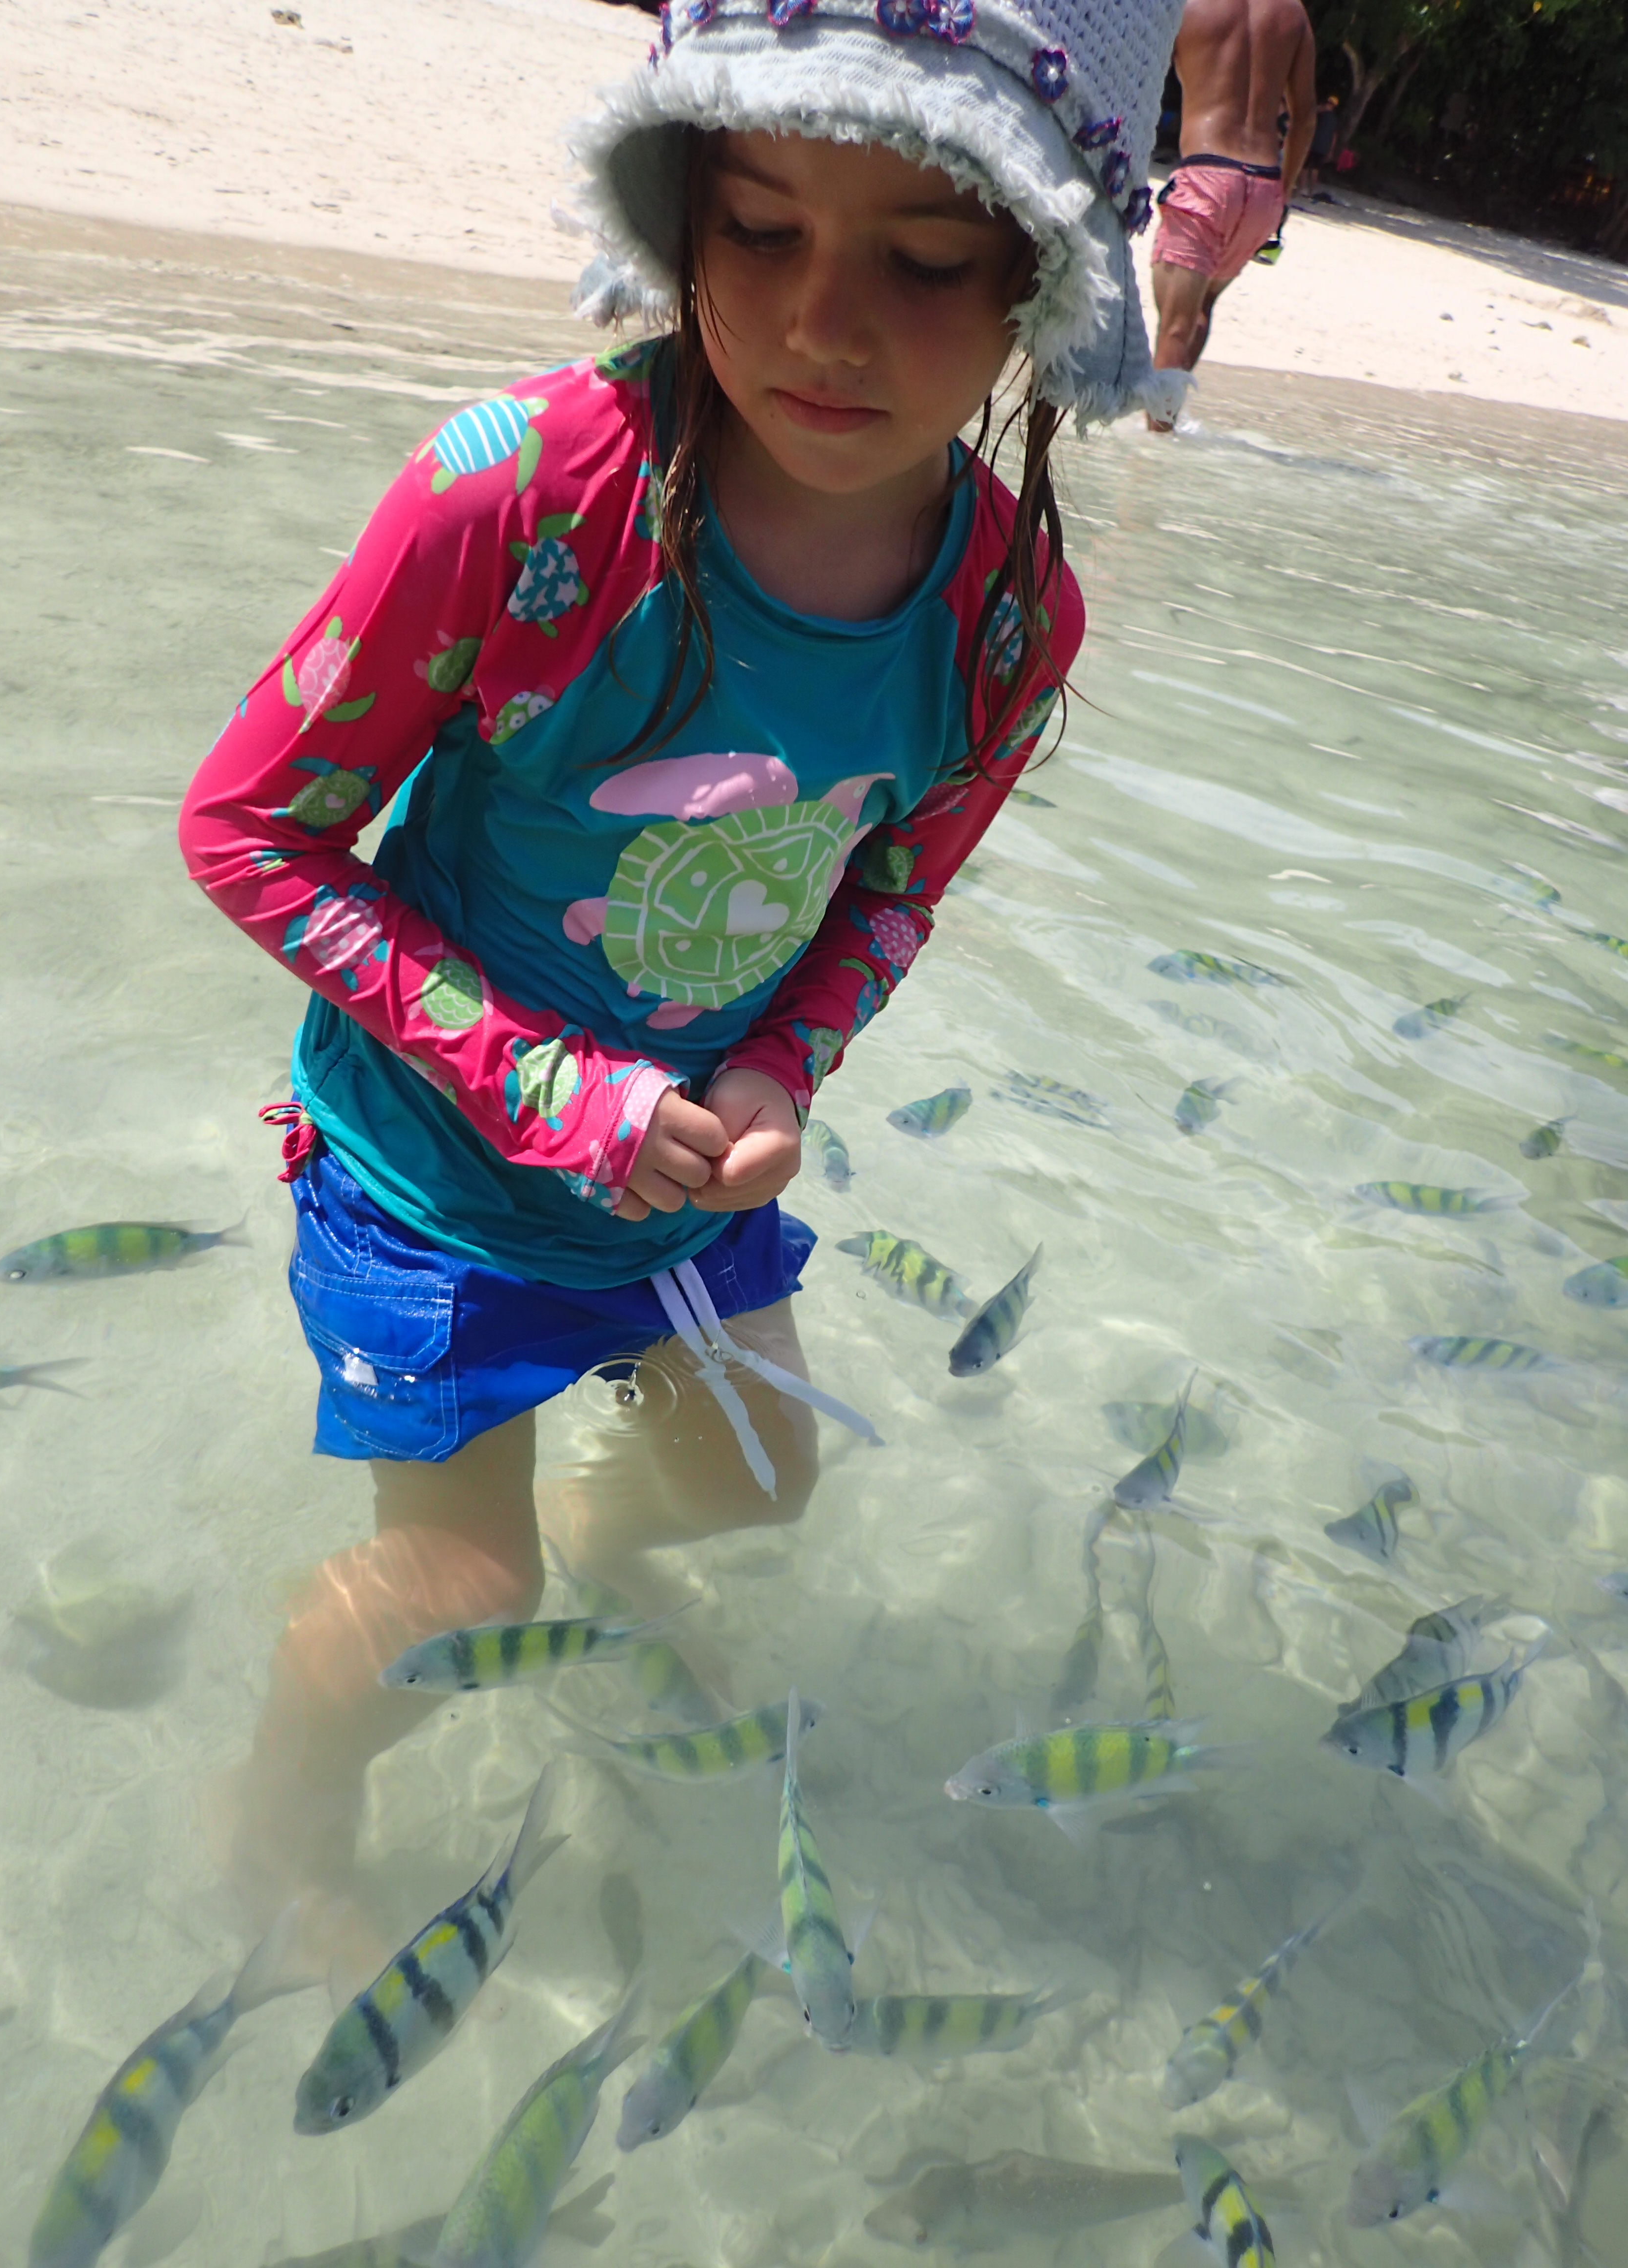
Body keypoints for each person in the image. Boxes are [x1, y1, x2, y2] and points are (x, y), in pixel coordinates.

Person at [177, 0, 1184, 1925]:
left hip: (674, 1176)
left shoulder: (1004, 612)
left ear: (1038, 287)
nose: (823, 320)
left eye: (922, 260)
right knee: (459, 1586)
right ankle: (273, 1825)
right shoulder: (514, 501)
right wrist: (546, 1086)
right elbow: (249, 830)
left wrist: (778, 1067)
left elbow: (887, 893)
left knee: (753, 1471)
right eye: (761, 228)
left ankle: (601, 1559)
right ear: (678, 212)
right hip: (430, 1177)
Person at [1148, 0, 1316, 412]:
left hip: (1206, 176)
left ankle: (1154, 440)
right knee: (1201, 309)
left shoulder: (1187, 6)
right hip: (1263, 187)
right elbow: (1305, 118)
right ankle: (1170, 421)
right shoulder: (1292, 13)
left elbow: (1142, 83)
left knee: (1174, 328)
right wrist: (1284, 191)